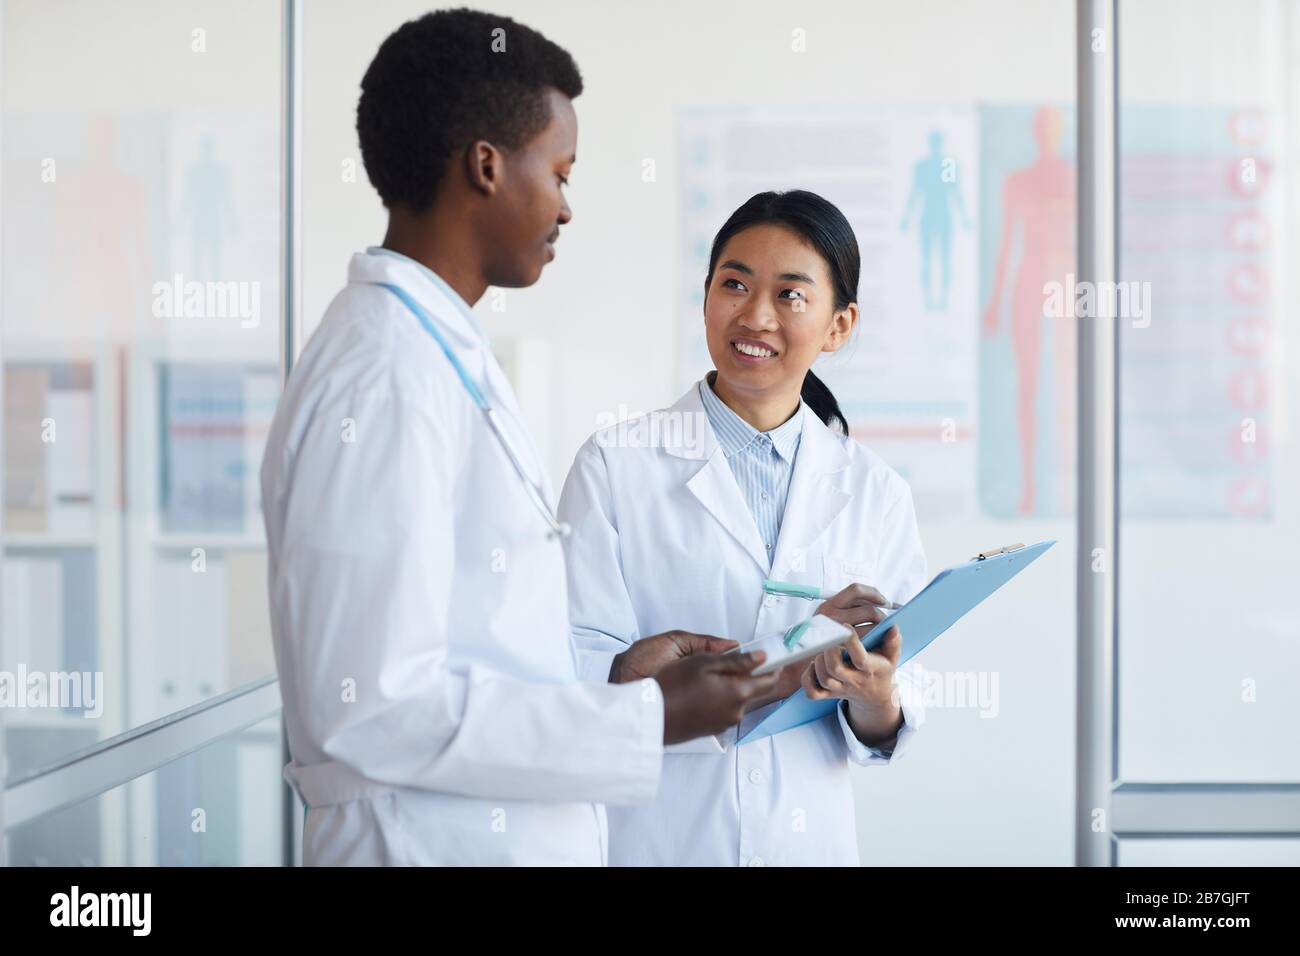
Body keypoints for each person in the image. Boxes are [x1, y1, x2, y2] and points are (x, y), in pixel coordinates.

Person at [260, 8, 775, 867]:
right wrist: (646, 719)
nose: (567, 208)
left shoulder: (431, 349)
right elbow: (373, 708)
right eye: (561, 173)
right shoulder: (385, 374)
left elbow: (464, 648)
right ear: (487, 167)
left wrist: (613, 684)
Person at [558, 190, 929, 866]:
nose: (755, 315)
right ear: (705, 298)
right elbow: (574, 676)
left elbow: (893, 714)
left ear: (839, 325)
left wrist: (874, 695)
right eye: (734, 283)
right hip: (660, 840)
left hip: (807, 840)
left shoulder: (875, 491)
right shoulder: (615, 467)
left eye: (791, 295)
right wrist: (793, 655)